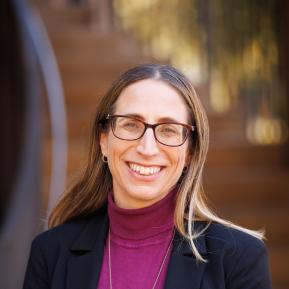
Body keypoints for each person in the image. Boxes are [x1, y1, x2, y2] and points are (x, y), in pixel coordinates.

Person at [23, 63, 272, 289]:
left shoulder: (239, 258)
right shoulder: (50, 253)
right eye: (131, 124)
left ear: (189, 153)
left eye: (168, 130)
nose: (147, 148)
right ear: (104, 141)